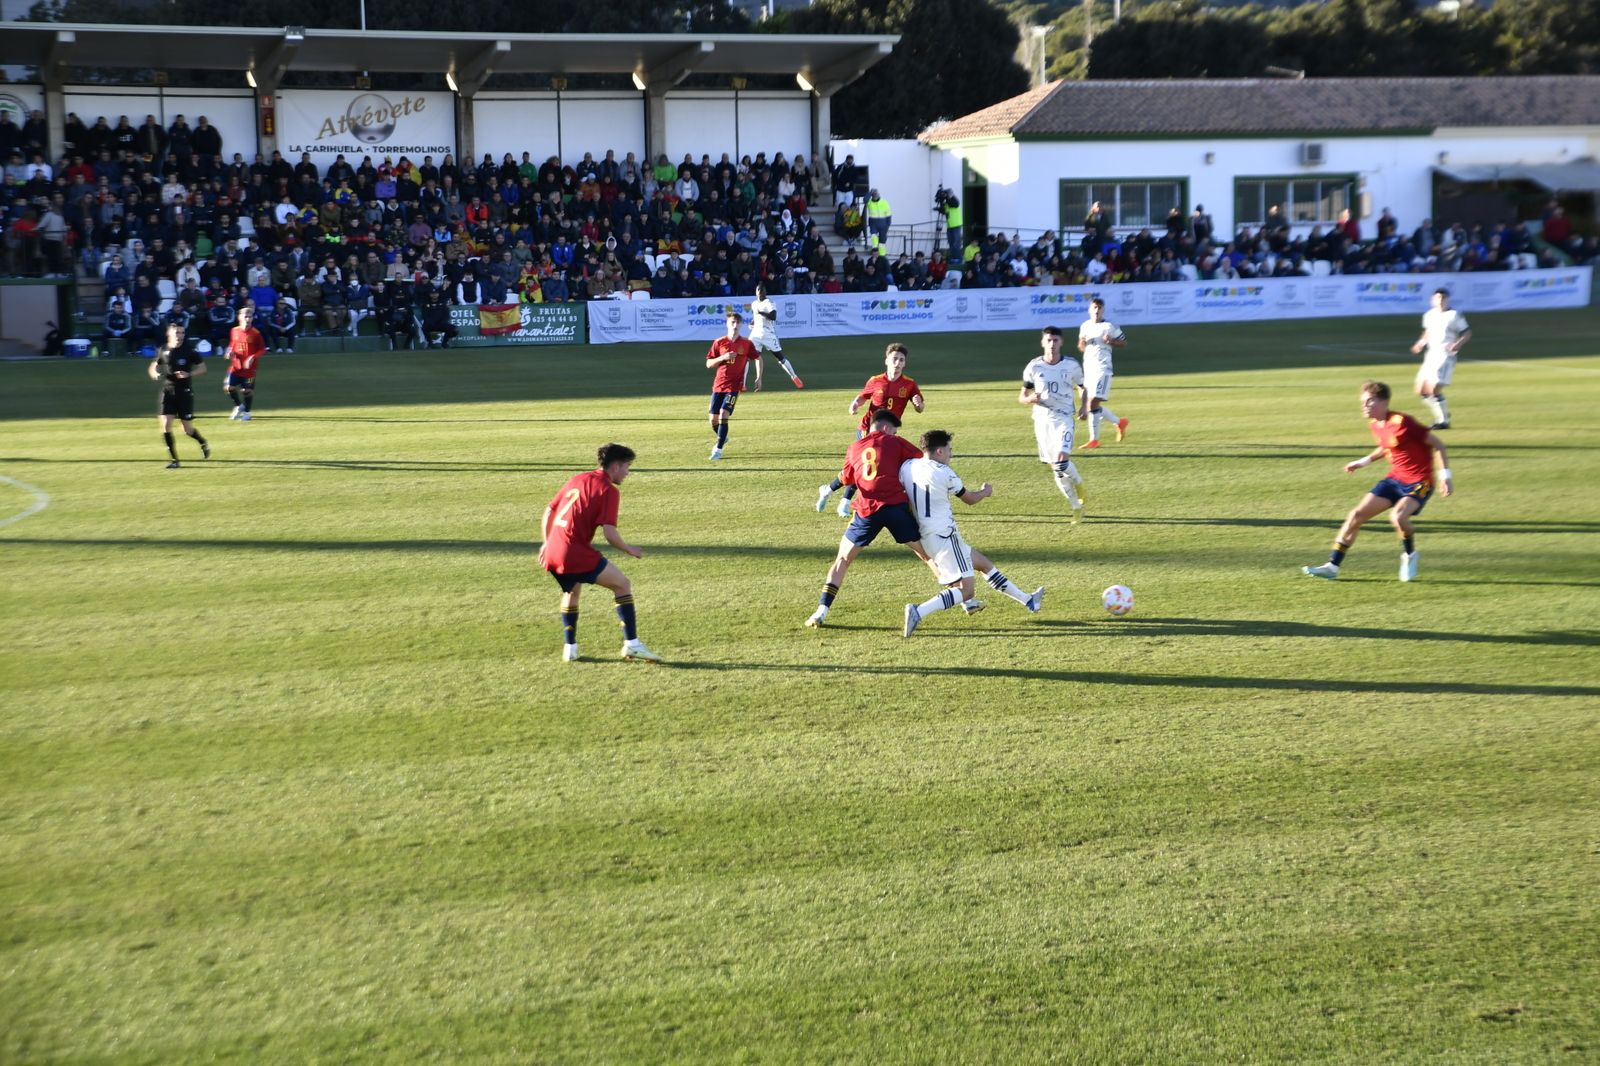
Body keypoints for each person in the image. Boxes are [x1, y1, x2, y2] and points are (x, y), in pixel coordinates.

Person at [1302, 380, 1453, 583]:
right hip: (1395, 479)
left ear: (1383, 403)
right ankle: (1332, 566)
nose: (1364, 406)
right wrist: (1363, 462)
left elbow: (1438, 445)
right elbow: (1387, 446)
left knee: (1398, 518)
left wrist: (1445, 477)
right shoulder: (1375, 424)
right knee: (1356, 515)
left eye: (1369, 401)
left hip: (1419, 481)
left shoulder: (1403, 422)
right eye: (1363, 402)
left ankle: (1409, 555)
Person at [900, 429, 1046, 636]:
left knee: (984, 564)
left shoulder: (908, 466)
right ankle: (919, 611)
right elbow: (969, 499)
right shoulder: (945, 473)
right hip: (945, 537)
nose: (951, 454)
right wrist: (985, 492)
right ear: (940, 451)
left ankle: (1028, 600)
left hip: (927, 534)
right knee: (967, 590)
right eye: (950, 450)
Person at [537, 443, 662, 663]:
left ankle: (570, 648)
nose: (628, 472)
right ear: (615, 466)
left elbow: (549, 510)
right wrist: (629, 549)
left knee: (571, 592)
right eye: (627, 467)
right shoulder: (608, 490)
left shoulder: (577, 478)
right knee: (622, 584)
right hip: (573, 552)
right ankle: (632, 644)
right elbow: (610, 534)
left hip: (553, 550)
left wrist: (546, 544)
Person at [805, 409, 929, 628]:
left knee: (842, 560)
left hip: (867, 511)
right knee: (925, 555)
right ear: (884, 427)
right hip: (895, 508)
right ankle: (960, 595)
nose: (893, 433)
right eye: (892, 430)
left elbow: (846, 478)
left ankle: (821, 611)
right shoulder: (896, 442)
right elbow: (922, 460)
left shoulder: (854, 448)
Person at [816, 342, 924, 517]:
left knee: (867, 466)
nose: (897, 363)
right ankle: (844, 503)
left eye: (901, 360)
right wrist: (855, 405)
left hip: (889, 432)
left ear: (905, 363)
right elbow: (863, 396)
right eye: (894, 359)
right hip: (868, 429)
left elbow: (920, 406)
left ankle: (828, 490)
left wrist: (919, 404)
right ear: (887, 360)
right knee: (866, 464)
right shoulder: (875, 381)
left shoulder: (910, 384)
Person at [1019, 326, 1086, 521]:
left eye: (1055, 340)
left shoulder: (1072, 365)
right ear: (1042, 343)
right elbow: (1021, 396)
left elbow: (1083, 387)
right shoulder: (1033, 367)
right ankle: (1075, 507)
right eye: (1048, 340)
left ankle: (1080, 485)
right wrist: (1031, 399)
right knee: (1056, 468)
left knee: (1062, 460)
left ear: (1061, 342)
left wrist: (1084, 407)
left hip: (1064, 417)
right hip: (1042, 420)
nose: (1052, 344)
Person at [148, 322, 211, 469]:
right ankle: (175, 460)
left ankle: (202, 442)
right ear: (169, 334)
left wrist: (189, 374)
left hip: (184, 393)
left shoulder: (189, 351)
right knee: (165, 426)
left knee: (187, 430)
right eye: (177, 333)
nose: (180, 336)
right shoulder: (163, 349)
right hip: (167, 392)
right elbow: (153, 366)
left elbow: (203, 368)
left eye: (182, 333)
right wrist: (154, 374)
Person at [704, 310, 762, 461]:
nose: (735, 325)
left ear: (741, 324)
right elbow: (709, 364)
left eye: (737, 322)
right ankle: (723, 436)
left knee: (724, 414)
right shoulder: (719, 342)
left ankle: (718, 449)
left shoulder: (746, 344)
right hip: (719, 385)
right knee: (713, 420)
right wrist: (723, 357)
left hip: (734, 387)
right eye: (732, 322)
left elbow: (758, 358)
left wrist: (758, 377)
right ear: (727, 324)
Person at [1410, 287, 1470, 430]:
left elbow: (1467, 332)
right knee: (1421, 390)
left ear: (1448, 299)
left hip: (1445, 355)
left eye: (1443, 298)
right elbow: (1427, 332)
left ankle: (1443, 421)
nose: (1441, 301)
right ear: (1433, 300)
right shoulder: (1429, 315)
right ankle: (1443, 414)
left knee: (1434, 388)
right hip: (1431, 355)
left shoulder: (1454, 315)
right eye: (1438, 298)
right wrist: (1420, 344)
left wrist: (1458, 344)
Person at [1077, 297, 1130, 449]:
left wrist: (1111, 341)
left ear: (1103, 310)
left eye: (1099, 308)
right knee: (1091, 405)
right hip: (1088, 369)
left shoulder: (1109, 326)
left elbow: (1124, 342)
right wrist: (1082, 342)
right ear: (1089, 310)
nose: (1096, 310)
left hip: (1103, 368)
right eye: (1094, 307)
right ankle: (1119, 422)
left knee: (1093, 402)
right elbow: (1081, 347)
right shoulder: (1085, 326)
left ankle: (1094, 440)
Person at [748, 282, 803, 388]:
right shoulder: (754, 304)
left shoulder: (769, 302)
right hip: (756, 333)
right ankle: (742, 383)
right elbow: (756, 317)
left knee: (780, 357)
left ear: (765, 292)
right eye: (758, 290)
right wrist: (752, 323)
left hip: (768, 333)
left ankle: (794, 377)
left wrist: (762, 313)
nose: (760, 292)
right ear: (755, 292)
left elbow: (773, 316)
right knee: (747, 356)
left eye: (762, 290)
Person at [224, 306, 266, 421]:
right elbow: (232, 344)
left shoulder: (256, 333)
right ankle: (238, 406)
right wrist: (229, 351)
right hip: (236, 366)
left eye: (250, 316)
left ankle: (247, 412)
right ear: (239, 317)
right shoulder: (234, 330)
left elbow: (262, 349)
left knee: (246, 391)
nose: (248, 319)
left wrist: (253, 356)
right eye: (245, 316)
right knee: (228, 387)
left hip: (250, 370)